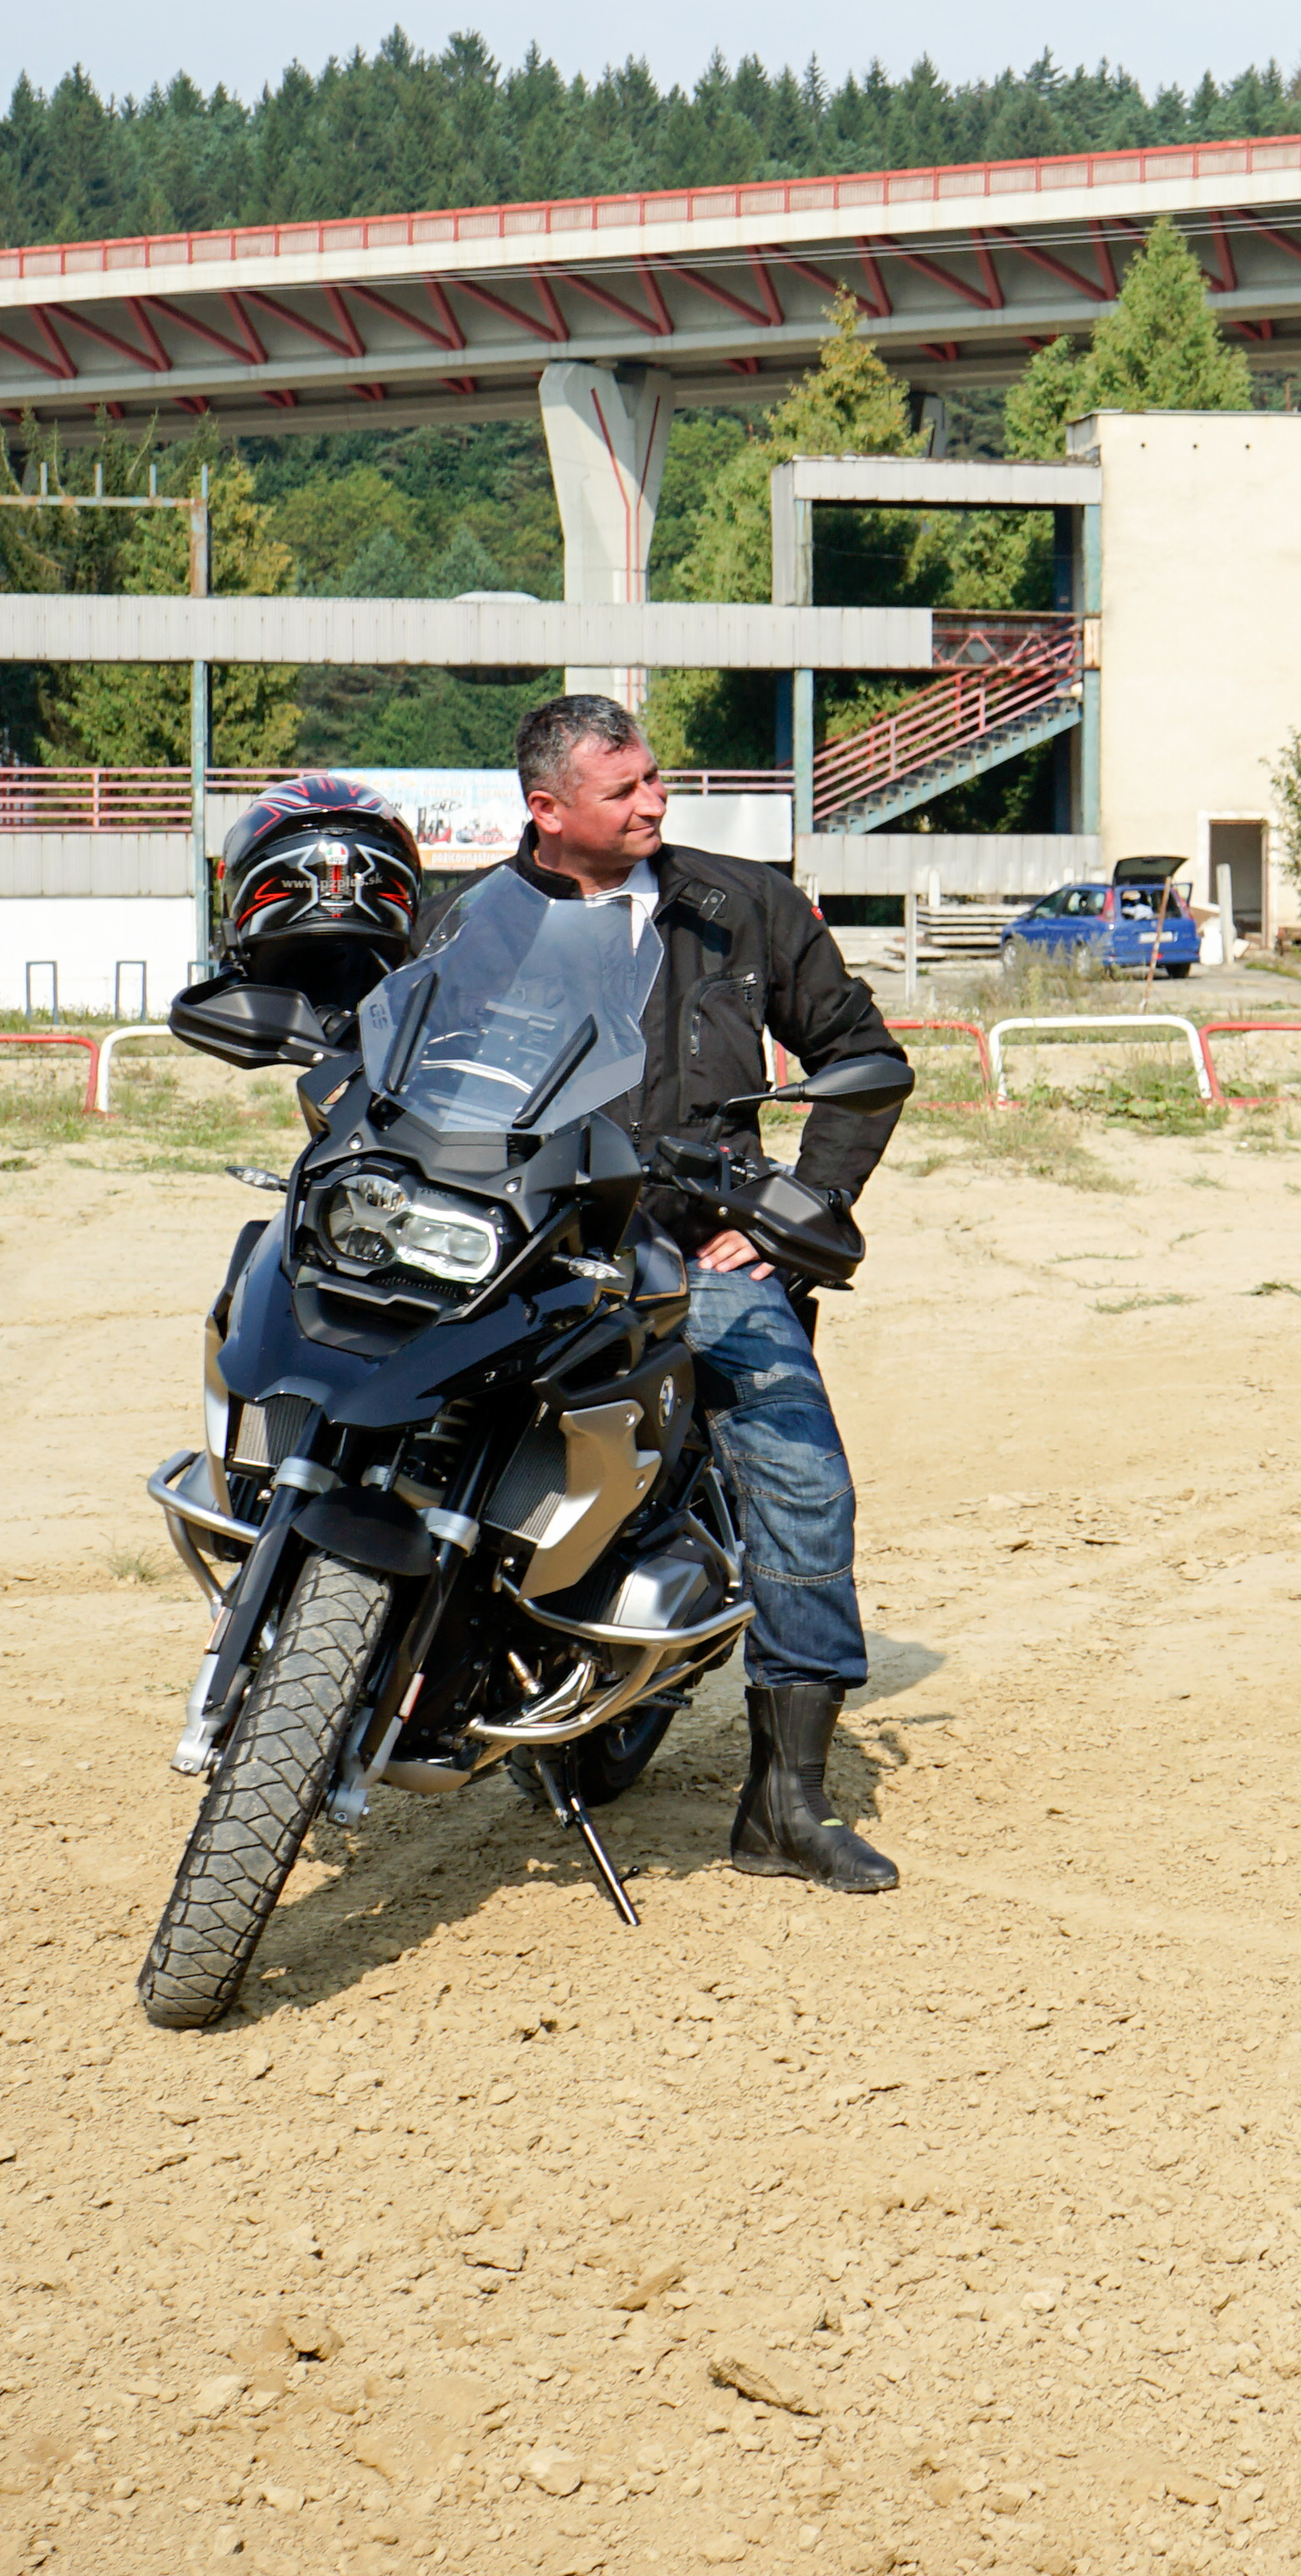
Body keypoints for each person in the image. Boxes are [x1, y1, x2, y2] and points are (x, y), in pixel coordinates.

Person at [492, 693, 911, 1893]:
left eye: (656, 781)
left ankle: (787, 1799)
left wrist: (798, 1221)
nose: (656, 805)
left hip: (692, 1253)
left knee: (796, 1468)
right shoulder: (475, 918)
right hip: (517, 1251)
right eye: (624, 791)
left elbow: (863, 1061)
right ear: (547, 808)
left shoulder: (741, 906)